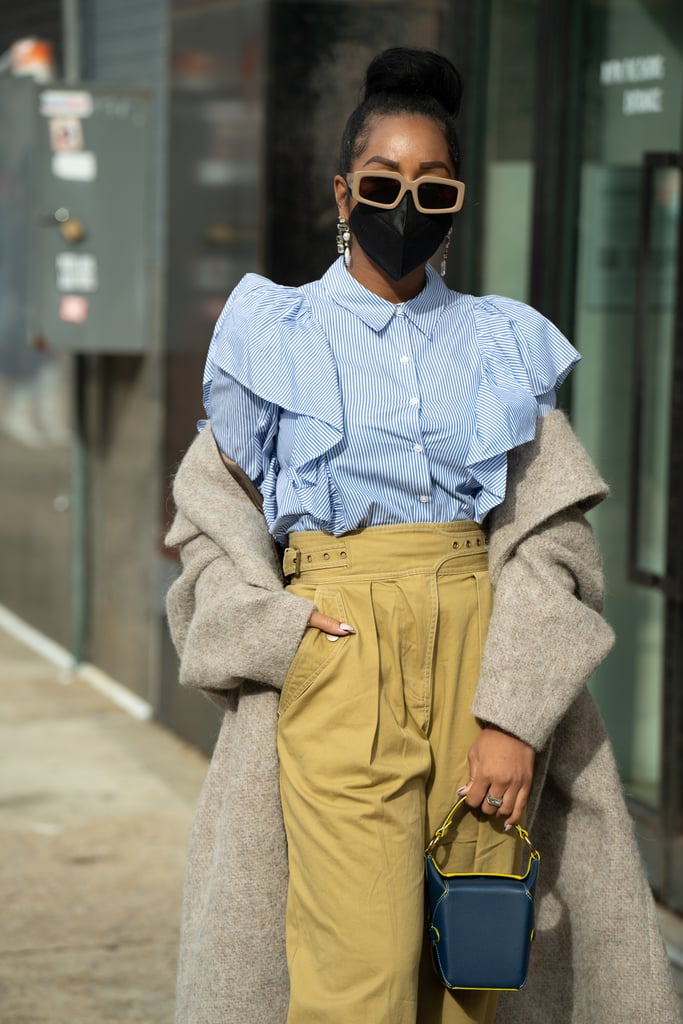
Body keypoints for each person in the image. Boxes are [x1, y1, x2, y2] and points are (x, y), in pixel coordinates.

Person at [165, 47, 680, 1024]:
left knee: (471, 955)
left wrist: (513, 711)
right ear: (341, 190)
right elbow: (208, 511)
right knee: (355, 968)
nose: (404, 204)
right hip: (338, 651)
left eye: (431, 185)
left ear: (456, 200)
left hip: (476, 652)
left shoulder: (499, 342)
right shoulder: (273, 333)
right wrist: (278, 634)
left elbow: (542, 527)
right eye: (381, 182)